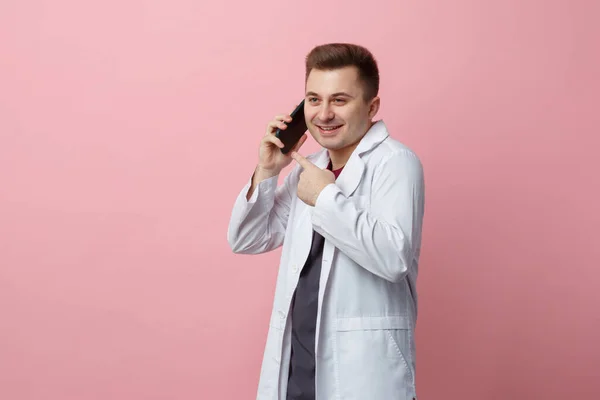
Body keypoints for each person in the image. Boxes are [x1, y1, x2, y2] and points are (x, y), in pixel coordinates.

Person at [227, 43, 425, 400]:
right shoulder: (312, 167)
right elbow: (247, 238)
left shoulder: (396, 163)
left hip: (361, 373)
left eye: (340, 100)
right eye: (314, 100)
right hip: (298, 371)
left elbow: (394, 258)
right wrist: (268, 172)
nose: (324, 114)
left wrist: (325, 198)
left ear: (372, 106)